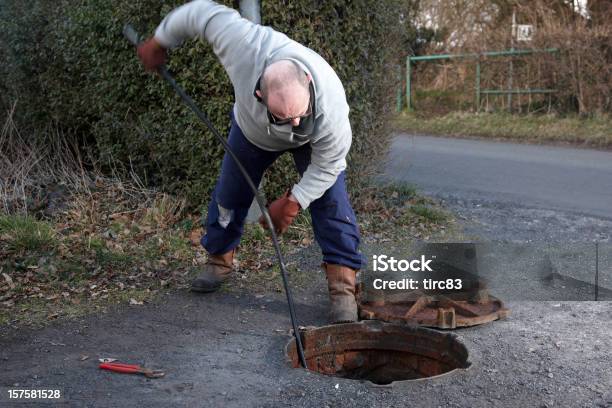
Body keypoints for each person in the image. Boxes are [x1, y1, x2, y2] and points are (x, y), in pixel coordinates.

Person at [137, 0, 362, 323]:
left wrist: (294, 201)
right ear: (260, 95)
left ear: (309, 86)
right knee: (230, 194)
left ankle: (343, 288)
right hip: (252, 132)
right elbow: (200, 13)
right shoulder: (243, 46)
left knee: (331, 202)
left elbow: (328, 165)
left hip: (316, 145)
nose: (296, 124)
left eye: (301, 115)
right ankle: (219, 260)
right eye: (286, 118)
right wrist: (159, 42)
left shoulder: (332, 104)